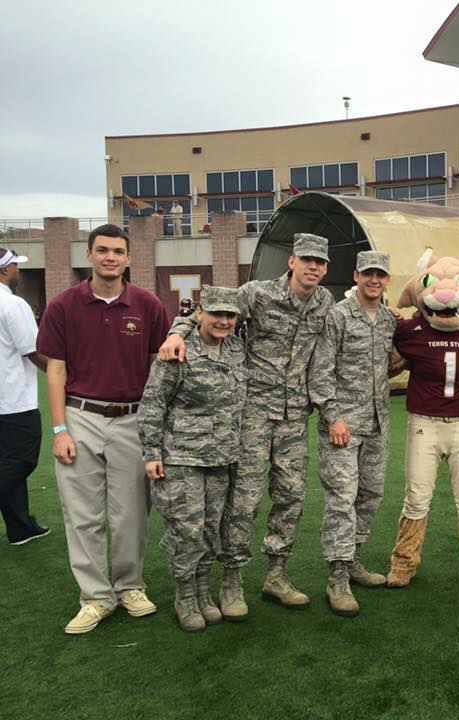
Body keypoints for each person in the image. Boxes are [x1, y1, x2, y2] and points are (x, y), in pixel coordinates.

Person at [159, 233, 333, 620]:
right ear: (292, 261)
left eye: (320, 263)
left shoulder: (324, 303)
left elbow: (321, 358)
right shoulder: (258, 293)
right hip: (253, 414)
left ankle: (276, 575)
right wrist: (177, 332)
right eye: (307, 259)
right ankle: (231, 580)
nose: (313, 268)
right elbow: (208, 309)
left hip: (293, 417)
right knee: (244, 502)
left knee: (291, 497)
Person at [37, 224, 170, 635]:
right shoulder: (64, 306)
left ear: (129, 258)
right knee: (83, 514)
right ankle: (95, 596)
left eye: (118, 251)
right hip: (81, 416)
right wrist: (60, 429)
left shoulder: (147, 305)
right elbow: (55, 371)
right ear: (90, 255)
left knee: (131, 512)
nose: (110, 257)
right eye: (103, 250)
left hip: (133, 418)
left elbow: (160, 364)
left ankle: (130, 586)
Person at [386, 251, 459, 587]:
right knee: (417, 495)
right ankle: (404, 563)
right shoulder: (411, 330)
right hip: (424, 422)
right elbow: (389, 364)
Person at [138, 286, 246, 632]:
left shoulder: (235, 350)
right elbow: (154, 402)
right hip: (181, 457)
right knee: (186, 528)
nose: (224, 321)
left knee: (210, 528)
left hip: (221, 457)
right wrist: (151, 452)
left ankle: (203, 591)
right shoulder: (178, 350)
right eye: (217, 314)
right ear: (200, 312)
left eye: (230, 315)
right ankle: (184, 594)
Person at [309, 251, 396, 617]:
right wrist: (333, 416)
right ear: (356, 276)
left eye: (380, 274)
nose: (374, 280)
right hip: (343, 425)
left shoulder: (390, 320)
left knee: (370, 495)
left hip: (377, 423)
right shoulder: (338, 317)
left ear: (387, 279)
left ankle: (356, 561)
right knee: (342, 498)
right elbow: (320, 371)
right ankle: (337, 578)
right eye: (367, 274)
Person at [0, 248, 49, 546]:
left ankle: (21, 527)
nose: (19, 272)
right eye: (16, 266)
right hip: (14, 399)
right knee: (22, 460)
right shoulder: (12, 304)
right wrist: (62, 379)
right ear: (5, 270)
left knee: (7, 460)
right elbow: (33, 350)